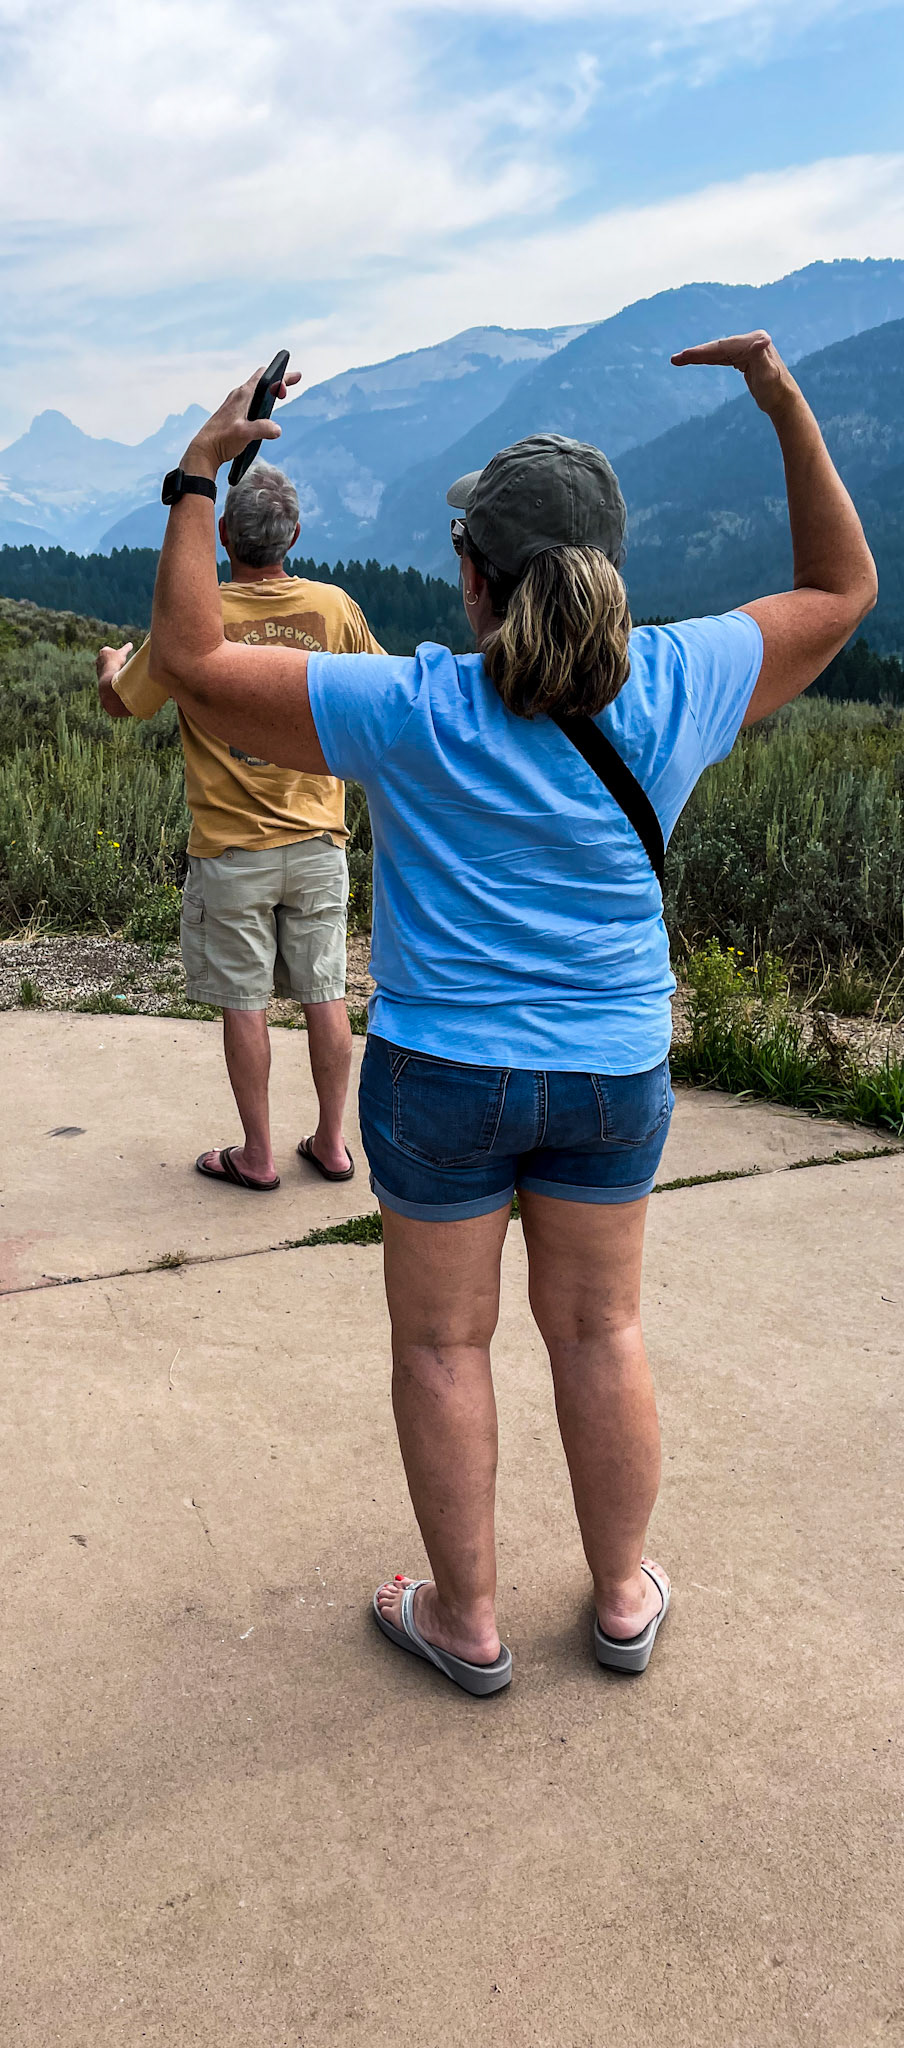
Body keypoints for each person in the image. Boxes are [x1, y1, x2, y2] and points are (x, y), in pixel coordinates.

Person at [141, 335, 876, 1695]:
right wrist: (780, 403)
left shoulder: (412, 708)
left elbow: (188, 660)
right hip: (613, 1073)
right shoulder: (682, 681)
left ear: (472, 577)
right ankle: (617, 1599)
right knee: (600, 1333)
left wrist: (199, 474)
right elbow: (842, 588)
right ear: (611, 574)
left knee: (441, 1344)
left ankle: (466, 1620)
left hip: (440, 1078)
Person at [96, 462, 381, 1193]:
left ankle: (255, 1155)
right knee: (326, 993)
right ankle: (332, 1141)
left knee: (244, 1002)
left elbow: (124, 705)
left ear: (222, 536)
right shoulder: (335, 608)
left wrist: (109, 667)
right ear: (295, 535)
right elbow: (382, 695)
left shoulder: (192, 617)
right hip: (318, 838)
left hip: (230, 849)